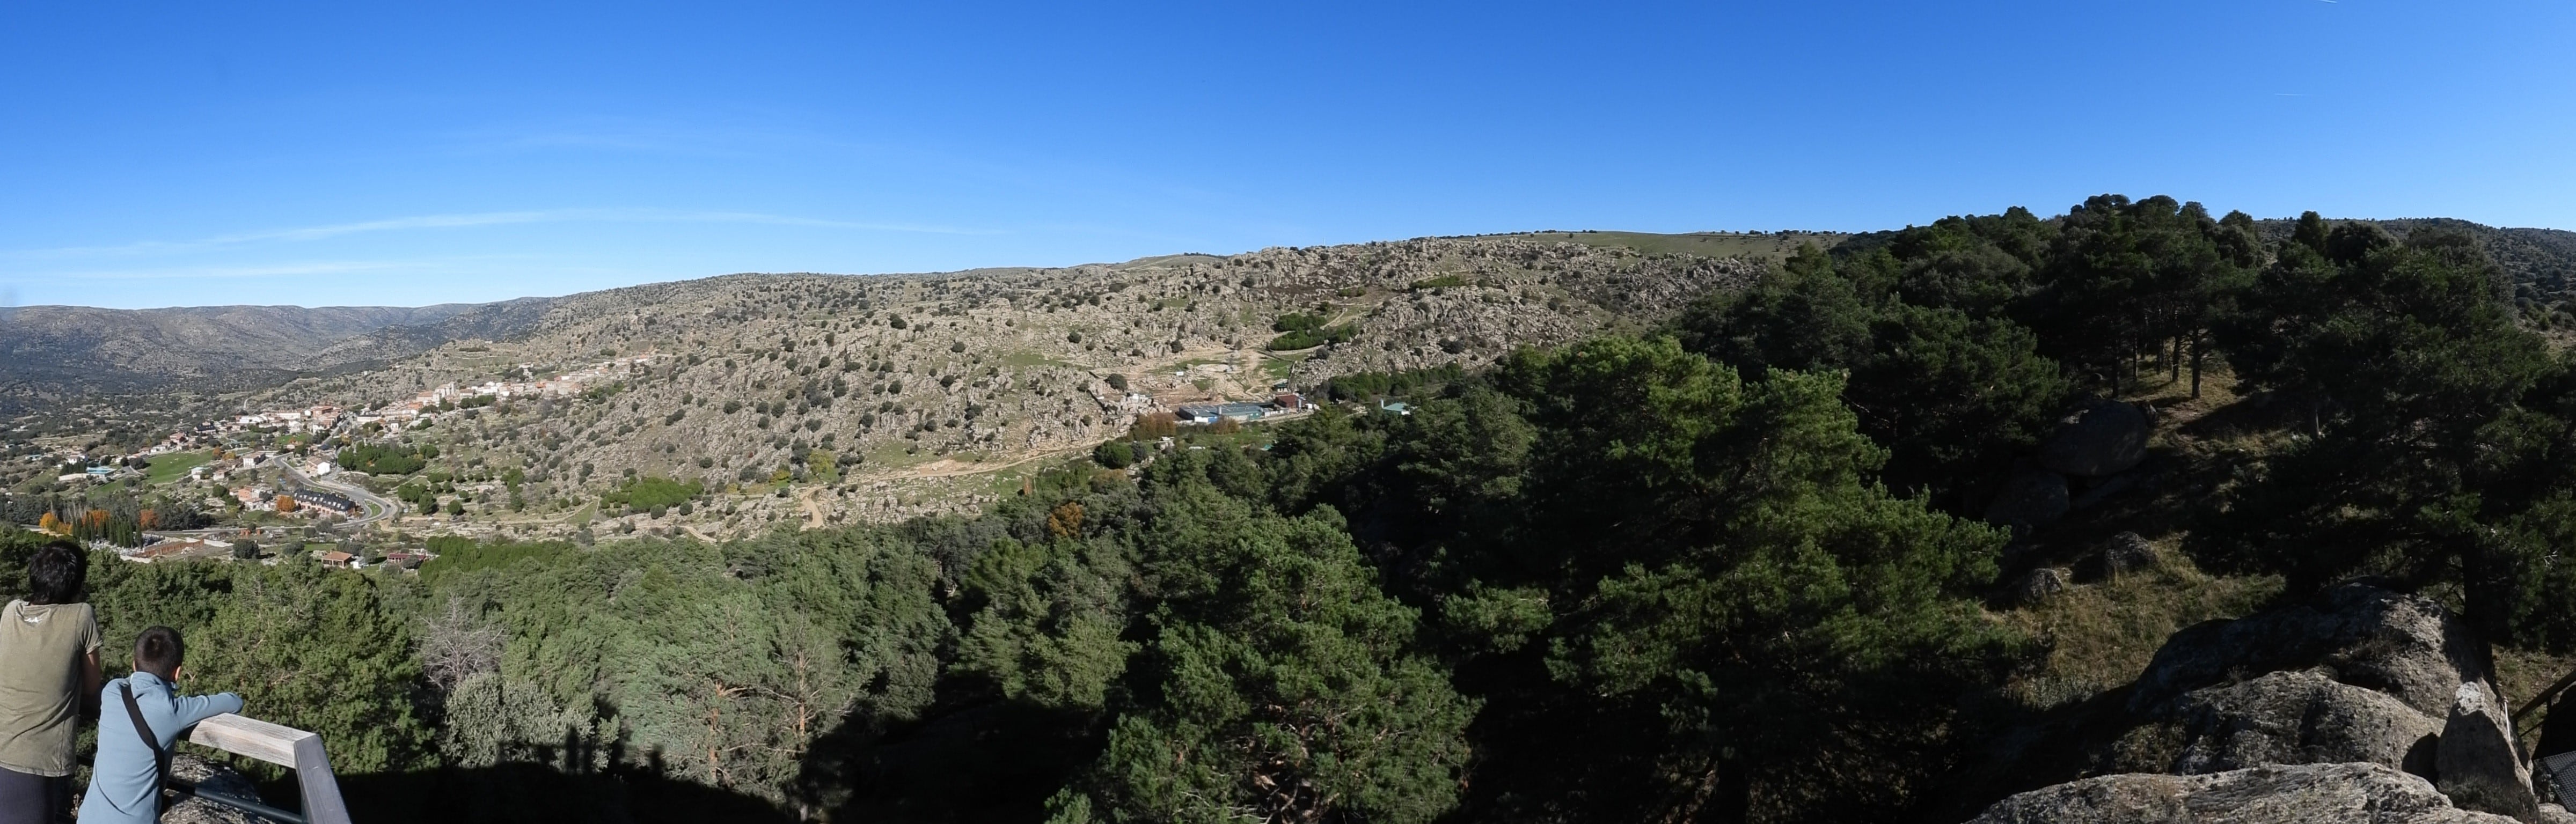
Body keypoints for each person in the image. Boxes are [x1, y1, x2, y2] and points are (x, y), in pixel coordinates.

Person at [81, 626, 241, 824]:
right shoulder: (172, 710)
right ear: (178, 673)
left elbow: (130, 684)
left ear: (134, 664)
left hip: (89, 818)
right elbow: (234, 702)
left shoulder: (113, 692)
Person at [0, 541, 101, 824]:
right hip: (36, 760)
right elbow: (93, 686)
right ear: (77, 584)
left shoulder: (11, 612)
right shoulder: (82, 616)